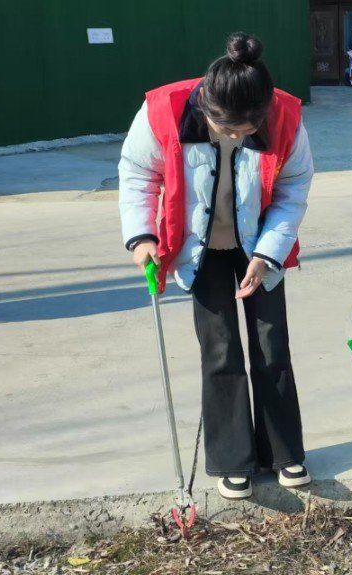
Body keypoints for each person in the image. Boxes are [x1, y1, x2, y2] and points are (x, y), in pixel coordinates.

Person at [119, 33, 314, 500]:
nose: (235, 137)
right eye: (226, 129)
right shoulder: (162, 111)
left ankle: (284, 453)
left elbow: (293, 190)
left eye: (247, 131)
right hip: (198, 248)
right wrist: (142, 236)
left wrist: (267, 255)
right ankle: (233, 460)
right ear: (205, 102)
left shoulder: (284, 116)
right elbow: (137, 173)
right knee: (221, 350)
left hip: (259, 245)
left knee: (272, 346)